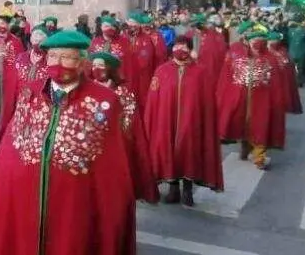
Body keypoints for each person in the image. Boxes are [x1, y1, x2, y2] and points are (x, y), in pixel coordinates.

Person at [0, 30, 137, 255]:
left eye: (67, 57)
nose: (58, 62)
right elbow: (11, 149)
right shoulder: (31, 93)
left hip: (75, 203)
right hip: (26, 198)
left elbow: (112, 164)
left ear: (81, 62)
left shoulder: (103, 101)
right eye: (53, 56)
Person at [144, 37, 224, 206]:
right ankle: (173, 189)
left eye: (184, 47)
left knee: (189, 153)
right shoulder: (162, 71)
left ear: (189, 49)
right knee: (169, 152)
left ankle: (187, 190)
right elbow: (153, 99)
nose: (180, 49)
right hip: (166, 121)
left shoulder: (201, 72)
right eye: (177, 46)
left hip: (192, 122)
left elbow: (208, 102)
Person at [89, 51, 159, 204]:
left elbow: (129, 119)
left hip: (115, 141)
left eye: (101, 65)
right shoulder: (87, 88)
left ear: (110, 69)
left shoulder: (123, 91)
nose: (97, 69)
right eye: (94, 65)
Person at [216, 30, 286, 169]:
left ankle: (259, 156)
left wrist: (276, 101)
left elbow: (276, 83)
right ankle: (245, 147)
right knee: (243, 124)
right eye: (254, 40)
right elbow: (227, 78)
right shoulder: (237, 57)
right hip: (240, 99)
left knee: (260, 126)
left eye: (260, 40)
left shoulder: (271, 59)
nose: (256, 43)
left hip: (262, 101)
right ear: (248, 42)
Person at [124, 13, 163, 109]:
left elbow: (146, 57)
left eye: (134, 24)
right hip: (126, 76)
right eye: (130, 24)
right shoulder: (123, 37)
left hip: (141, 76)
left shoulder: (146, 39)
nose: (132, 27)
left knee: (141, 99)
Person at [268, 32, 303, 115]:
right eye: (271, 40)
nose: (272, 42)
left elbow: (286, 68)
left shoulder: (282, 53)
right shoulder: (282, 52)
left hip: (278, 85)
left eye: (275, 40)